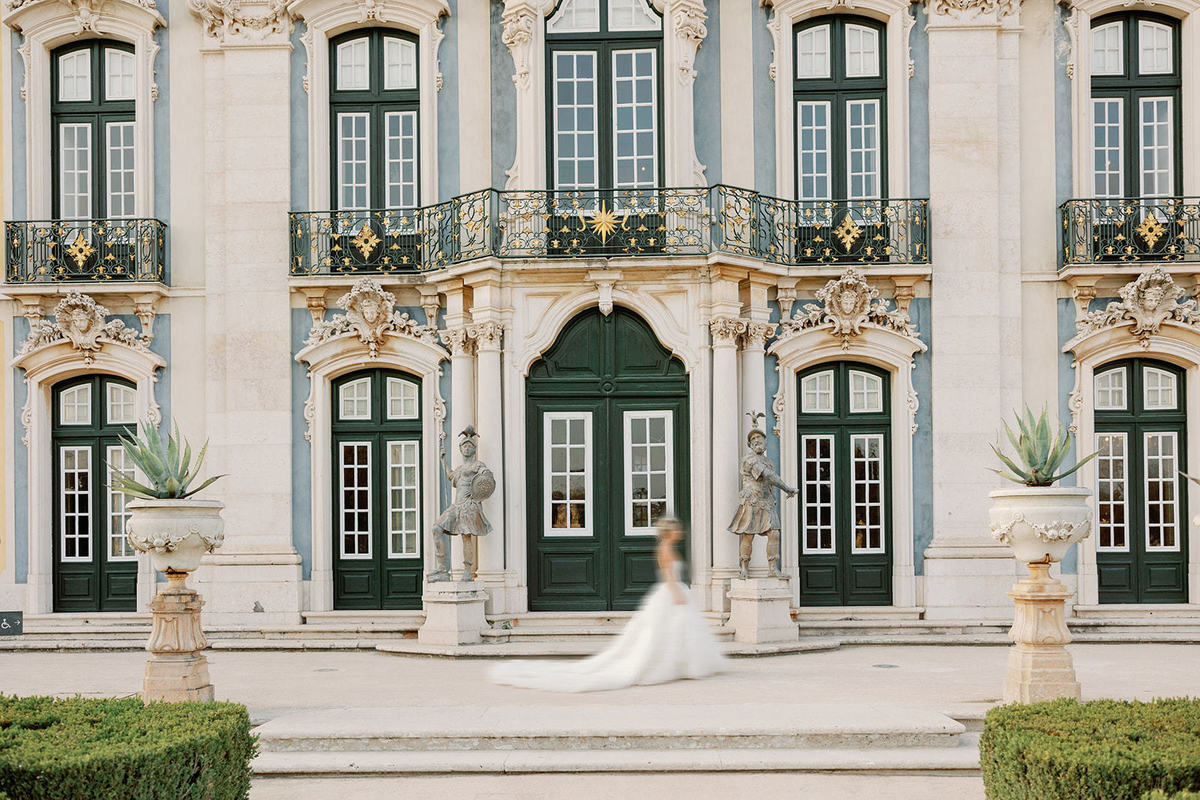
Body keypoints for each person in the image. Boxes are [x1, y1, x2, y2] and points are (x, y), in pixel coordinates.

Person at [489, 516, 726, 692]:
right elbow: (668, 576)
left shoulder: (668, 547)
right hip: (672, 593)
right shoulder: (665, 549)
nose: (680, 532)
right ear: (669, 533)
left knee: (670, 632)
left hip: (673, 593)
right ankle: (675, 664)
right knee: (665, 633)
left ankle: (680, 663)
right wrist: (677, 595)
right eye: (676, 530)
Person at [728, 422, 797, 579]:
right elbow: (768, 476)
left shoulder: (769, 462)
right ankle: (744, 568)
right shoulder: (749, 459)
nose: (757, 441)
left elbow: (769, 479)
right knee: (748, 535)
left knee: (774, 534)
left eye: (760, 438)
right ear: (750, 444)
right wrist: (787, 488)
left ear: (766, 442)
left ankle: (773, 569)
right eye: (753, 439)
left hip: (767, 502)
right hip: (752, 501)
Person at [428, 426, 493, 581]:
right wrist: (443, 460)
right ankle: (442, 569)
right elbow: (451, 476)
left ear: (474, 449)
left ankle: (467, 571)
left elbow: (487, 479)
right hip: (456, 506)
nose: (467, 448)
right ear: (460, 449)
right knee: (436, 528)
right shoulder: (460, 468)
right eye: (464, 446)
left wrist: (477, 492)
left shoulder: (477, 465)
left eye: (470, 446)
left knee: (466, 537)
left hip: (469, 506)